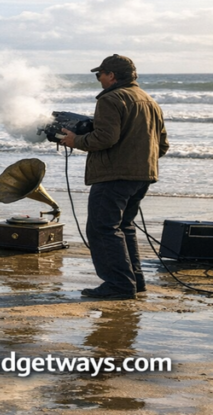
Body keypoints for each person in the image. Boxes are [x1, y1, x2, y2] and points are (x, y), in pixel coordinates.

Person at [59, 54, 168, 300]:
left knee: (102, 228)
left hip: (113, 175)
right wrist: (140, 162)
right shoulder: (150, 101)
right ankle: (134, 281)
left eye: (100, 74)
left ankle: (118, 284)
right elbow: (162, 145)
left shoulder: (111, 99)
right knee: (124, 226)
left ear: (112, 75)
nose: (99, 79)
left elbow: (105, 138)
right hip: (143, 175)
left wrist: (74, 140)